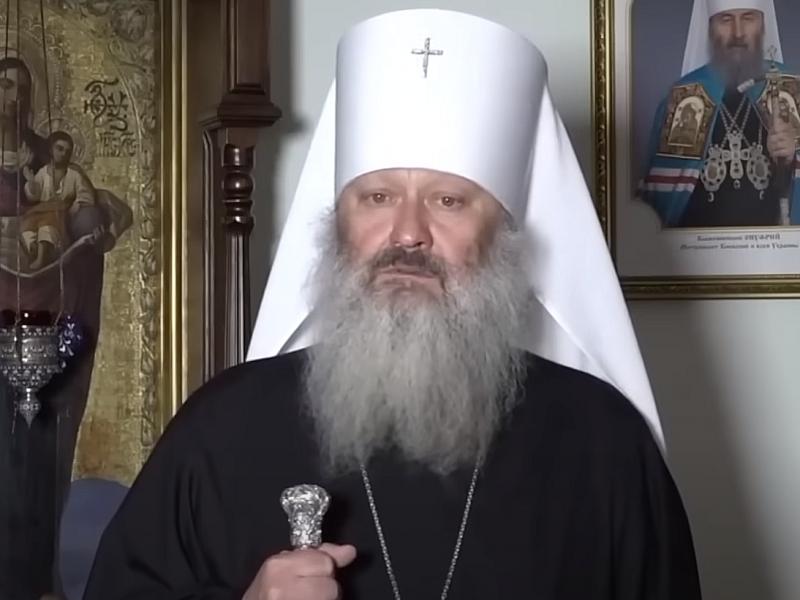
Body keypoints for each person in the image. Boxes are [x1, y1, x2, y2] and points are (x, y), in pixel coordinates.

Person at [84, 10, 702, 599]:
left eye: (449, 201)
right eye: (377, 197)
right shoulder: (223, 427)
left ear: (505, 236)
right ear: (335, 226)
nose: (407, 234)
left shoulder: (603, 443)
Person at [639, 0, 800, 227]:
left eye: (748, 18)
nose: (738, 33)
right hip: (697, 247)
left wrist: (791, 160)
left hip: (771, 246)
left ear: (763, 25)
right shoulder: (683, 98)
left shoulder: (791, 93)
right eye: (726, 19)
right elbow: (658, 208)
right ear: (710, 27)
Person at [21, 131, 96, 270]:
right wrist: (31, 182)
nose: (63, 154)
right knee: (27, 226)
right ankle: (33, 249)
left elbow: (86, 194)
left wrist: (77, 205)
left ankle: (41, 258)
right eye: (60, 149)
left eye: (67, 151)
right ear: (51, 150)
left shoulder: (74, 174)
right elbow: (34, 195)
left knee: (46, 224)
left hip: (61, 213)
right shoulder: (43, 172)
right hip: (41, 210)